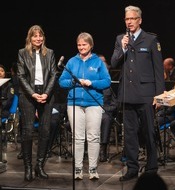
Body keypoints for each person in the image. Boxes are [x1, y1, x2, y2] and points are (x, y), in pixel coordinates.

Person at [111, 5, 165, 182]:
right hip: (127, 95)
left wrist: (159, 95)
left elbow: (158, 70)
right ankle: (132, 168)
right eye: (127, 19)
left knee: (149, 132)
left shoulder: (150, 40)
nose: (129, 22)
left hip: (146, 94)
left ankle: (151, 166)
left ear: (139, 20)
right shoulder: (121, 39)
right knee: (130, 134)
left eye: (132, 19)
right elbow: (114, 63)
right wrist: (123, 48)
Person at [59, 32, 111, 180]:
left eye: (84, 45)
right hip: (74, 103)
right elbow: (62, 81)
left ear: (91, 45)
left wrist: (91, 83)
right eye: (79, 45)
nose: (81, 47)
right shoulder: (71, 62)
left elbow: (107, 81)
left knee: (94, 137)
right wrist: (74, 82)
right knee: (78, 138)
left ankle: (93, 169)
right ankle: (78, 169)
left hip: (94, 103)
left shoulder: (98, 62)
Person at [17, 25, 57, 181]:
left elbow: (54, 74)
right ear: (30, 38)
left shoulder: (50, 53)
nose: (38, 38)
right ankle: (28, 168)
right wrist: (33, 94)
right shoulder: (22, 53)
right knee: (27, 132)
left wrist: (46, 93)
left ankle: (39, 166)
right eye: (35, 36)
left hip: (46, 93)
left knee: (45, 131)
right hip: (28, 94)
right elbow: (21, 76)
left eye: (40, 36)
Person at [98, 54, 118, 162]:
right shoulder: (92, 84)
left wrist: (105, 109)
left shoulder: (109, 86)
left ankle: (103, 149)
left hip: (105, 112)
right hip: (91, 110)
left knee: (105, 118)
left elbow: (115, 104)